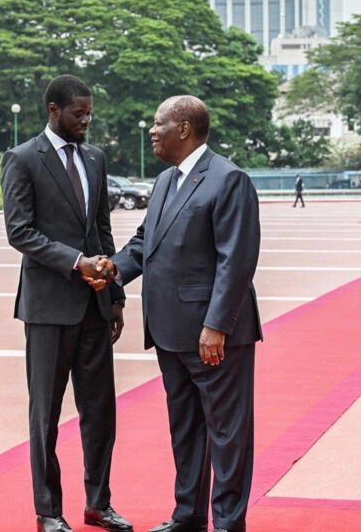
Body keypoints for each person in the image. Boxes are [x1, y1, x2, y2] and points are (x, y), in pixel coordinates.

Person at [100, 95, 262, 532]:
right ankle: (188, 517)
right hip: (170, 332)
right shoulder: (166, 181)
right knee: (186, 429)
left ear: (184, 129)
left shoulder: (228, 180)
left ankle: (228, 523)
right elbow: (143, 242)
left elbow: (237, 260)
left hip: (215, 337)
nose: (151, 131)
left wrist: (216, 326)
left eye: (158, 124)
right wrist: (113, 270)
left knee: (227, 435)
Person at [1, 74, 132, 532]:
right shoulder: (22, 159)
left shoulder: (95, 159)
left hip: (95, 308)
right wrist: (77, 263)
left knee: (101, 412)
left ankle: (99, 504)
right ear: (53, 110)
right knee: (46, 416)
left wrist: (114, 293)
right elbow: (20, 232)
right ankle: (48, 512)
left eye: (90, 113)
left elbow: (103, 230)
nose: (87, 120)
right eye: (79, 113)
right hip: (49, 309)